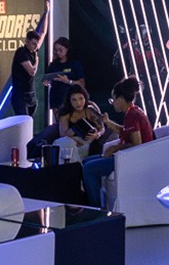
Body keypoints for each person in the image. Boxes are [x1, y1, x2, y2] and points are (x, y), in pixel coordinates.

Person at [82, 76, 154, 207]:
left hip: (131, 159)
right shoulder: (132, 111)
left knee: (88, 169)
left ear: (120, 99)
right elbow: (124, 132)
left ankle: (96, 208)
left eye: (113, 100)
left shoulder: (133, 115)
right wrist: (107, 122)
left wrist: (115, 148)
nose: (113, 103)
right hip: (126, 156)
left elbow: (137, 145)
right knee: (86, 161)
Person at [10, 3, 49, 116]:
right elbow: (32, 71)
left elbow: (43, 32)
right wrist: (36, 61)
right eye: (33, 43)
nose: (36, 46)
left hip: (31, 95)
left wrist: (47, 12)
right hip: (20, 95)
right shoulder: (22, 52)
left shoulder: (34, 50)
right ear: (26, 41)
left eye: (37, 44)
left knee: (29, 121)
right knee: (23, 121)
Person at [53, 84, 104, 163]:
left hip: (89, 142)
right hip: (72, 142)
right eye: (74, 100)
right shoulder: (65, 114)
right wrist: (73, 133)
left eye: (81, 99)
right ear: (69, 101)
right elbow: (63, 135)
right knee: (64, 143)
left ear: (85, 98)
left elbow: (102, 128)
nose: (78, 103)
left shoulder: (90, 109)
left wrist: (97, 135)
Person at [43, 37, 86, 112]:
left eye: (60, 50)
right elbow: (47, 78)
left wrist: (68, 81)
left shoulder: (74, 64)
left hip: (71, 99)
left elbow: (82, 83)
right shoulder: (53, 64)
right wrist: (47, 82)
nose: (58, 52)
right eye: (56, 50)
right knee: (59, 118)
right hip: (56, 98)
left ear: (67, 49)